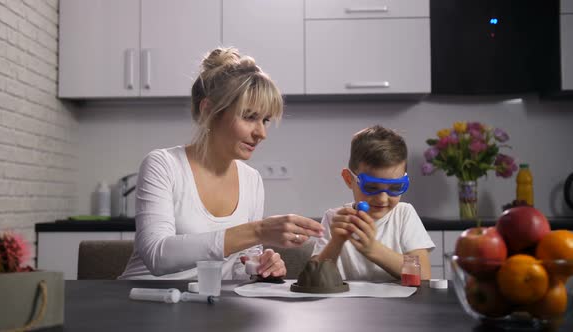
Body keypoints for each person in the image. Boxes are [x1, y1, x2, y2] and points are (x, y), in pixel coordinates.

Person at [119, 47, 323, 280]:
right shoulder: (163, 165)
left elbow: (240, 264)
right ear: (209, 111)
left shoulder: (251, 180)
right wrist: (258, 231)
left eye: (265, 120)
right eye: (249, 117)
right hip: (142, 302)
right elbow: (157, 255)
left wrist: (259, 268)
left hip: (206, 306)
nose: (261, 133)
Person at [312, 125, 435, 282]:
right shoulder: (335, 219)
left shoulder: (403, 214)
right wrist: (336, 242)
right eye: (371, 187)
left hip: (400, 305)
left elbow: (423, 274)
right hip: (347, 306)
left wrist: (373, 249)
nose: (383, 199)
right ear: (349, 179)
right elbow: (314, 279)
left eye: (395, 187)